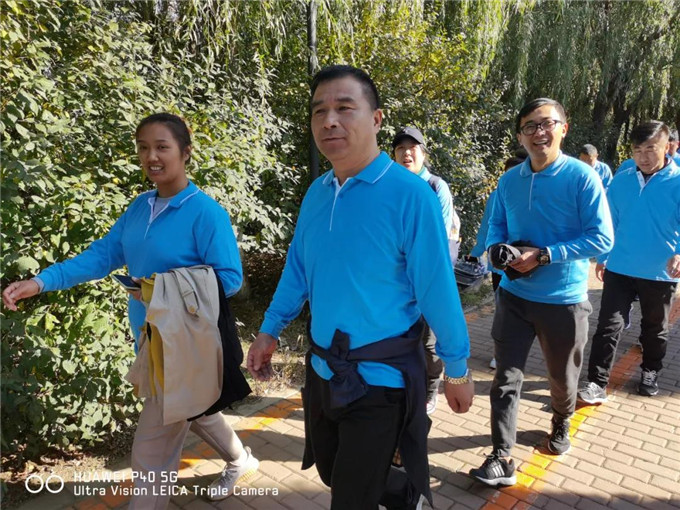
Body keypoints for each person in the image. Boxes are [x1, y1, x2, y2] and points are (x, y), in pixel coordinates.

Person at [2, 113, 259, 508]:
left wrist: (160, 289)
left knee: (151, 452)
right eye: (143, 148)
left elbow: (229, 279)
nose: (151, 156)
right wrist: (41, 282)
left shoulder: (206, 213)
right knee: (197, 410)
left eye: (162, 147)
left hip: (183, 345)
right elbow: (103, 255)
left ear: (185, 152)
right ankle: (241, 460)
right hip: (148, 340)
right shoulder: (140, 207)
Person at [246, 65, 473, 510]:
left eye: (344, 108)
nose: (329, 120)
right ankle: (406, 494)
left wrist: (458, 368)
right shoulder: (317, 193)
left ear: (376, 119)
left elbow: (436, 289)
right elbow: (298, 269)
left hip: (381, 381)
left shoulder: (411, 196)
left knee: (350, 497)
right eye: (319, 111)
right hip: (323, 371)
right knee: (332, 471)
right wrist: (269, 330)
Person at [469, 98, 613, 487]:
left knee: (562, 379)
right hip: (514, 296)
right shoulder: (509, 180)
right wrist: (498, 250)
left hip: (564, 302)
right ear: (520, 136)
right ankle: (501, 456)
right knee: (505, 378)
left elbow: (602, 238)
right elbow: (497, 223)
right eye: (530, 126)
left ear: (563, 129)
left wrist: (546, 255)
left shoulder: (582, 177)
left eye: (547, 123)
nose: (539, 132)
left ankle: (561, 419)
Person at [577, 121, 680, 403]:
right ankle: (596, 382)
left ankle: (650, 372)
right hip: (620, 266)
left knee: (655, 329)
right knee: (608, 326)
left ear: (667, 147)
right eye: (637, 150)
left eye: (650, 149)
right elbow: (610, 222)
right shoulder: (621, 181)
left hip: (659, 271)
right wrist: (603, 257)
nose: (643, 157)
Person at [392, 126, 462, 414]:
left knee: (430, 342)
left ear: (423, 153)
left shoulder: (435, 187)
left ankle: (430, 390)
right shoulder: (389, 186)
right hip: (397, 281)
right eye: (400, 148)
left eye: (412, 148)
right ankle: (404, 388)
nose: (406, 153)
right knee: (400, 338)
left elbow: (438, 237)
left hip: (430, 279)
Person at [467, 149, 528, 370]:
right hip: (501, 267)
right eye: (506, 175)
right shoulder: (496, 196)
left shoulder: (534, 196)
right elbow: (487, 226)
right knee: (503, 310)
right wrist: (476, 252)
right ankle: (499, 353)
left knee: (524, 312)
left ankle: (518, 351)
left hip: (526, 264)